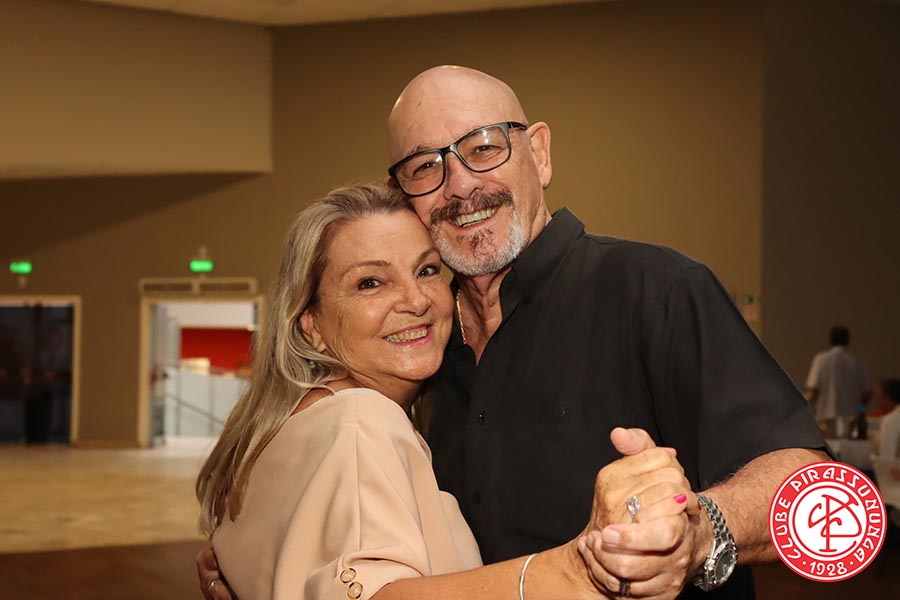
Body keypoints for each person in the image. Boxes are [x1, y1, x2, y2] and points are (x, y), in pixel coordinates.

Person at [200, 66, 829, 599]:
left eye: (483, 147)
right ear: (403, 195)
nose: (460, 185)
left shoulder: (655, 289)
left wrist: (701, 530)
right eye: (424, 166)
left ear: (540, 153)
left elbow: (816, 490)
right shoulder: (420, 349)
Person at [196, 184, 696, 600]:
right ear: (312, 325)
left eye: (428, 270)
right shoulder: (360, 422)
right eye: (370, 283)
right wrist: (576, 571)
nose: (416, 300)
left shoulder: (282, 432)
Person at [805, 325, 873, 434]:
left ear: (830, 340)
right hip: (851, 421)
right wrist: (861, 409)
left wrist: (811, 411)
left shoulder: (821, 359)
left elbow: (813, 390)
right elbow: (868, 392)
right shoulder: (856, 362)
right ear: (847, 341)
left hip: (825, 420)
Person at [876, 378, 900, 458]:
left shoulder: (891, 420)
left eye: (879, 398)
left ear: (888, 399)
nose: (878, 403)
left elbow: (886, 457)